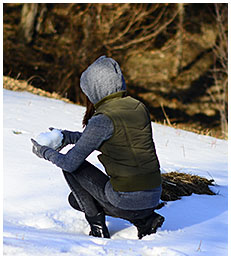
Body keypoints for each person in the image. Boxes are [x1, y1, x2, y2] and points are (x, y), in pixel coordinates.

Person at [31, 55, 165, 239]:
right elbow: (112, 139)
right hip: (153, 196)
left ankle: (97, 228)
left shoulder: (103, 119)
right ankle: (145, 220)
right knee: (76, 198)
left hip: (125, 201)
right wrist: (68, 136)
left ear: (95, 88)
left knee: (72, 171)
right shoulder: (138, 107)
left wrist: (44, 152)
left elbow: (70, 163)